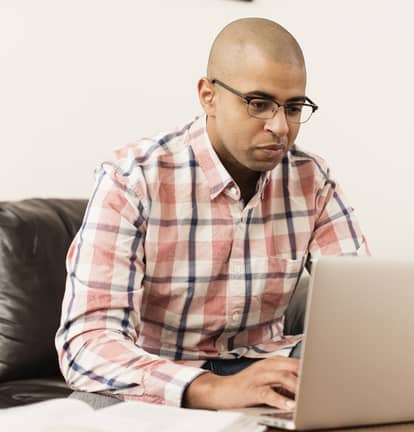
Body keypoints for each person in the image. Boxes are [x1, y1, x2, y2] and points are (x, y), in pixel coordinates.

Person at [55, 18, 369, 410]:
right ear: (208, 95)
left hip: (266, 366)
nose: (279, 127)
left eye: (293, 108)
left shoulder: (312, 179)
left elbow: (362, 311)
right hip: (163, 378)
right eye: (259, 104)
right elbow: (87, 341)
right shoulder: (133, 179)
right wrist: (210, 388)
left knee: (360, 365)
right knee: (91, 401)